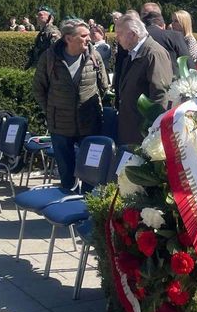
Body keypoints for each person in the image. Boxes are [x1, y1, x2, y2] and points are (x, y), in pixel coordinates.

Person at [32, 19, 110, 190]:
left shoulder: (94, 57)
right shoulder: (49, 58)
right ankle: (67, 208)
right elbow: (38, 89)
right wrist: (52, 109)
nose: (88, 39)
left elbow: (103, 87)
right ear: (68, 38)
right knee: (66, 174)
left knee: (91, 174)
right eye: (83, 36)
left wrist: (93, 108)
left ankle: (88, 210)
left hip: (89, 125)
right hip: (60, 126)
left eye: (88, 35)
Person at [114, 12, 173, 145]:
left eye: (120, 33)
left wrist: (151, 131)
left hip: (143, 134)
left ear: (133, 34)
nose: (116, 37)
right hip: (130, 130)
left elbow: (160, 95)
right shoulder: (132, 53)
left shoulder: (154, 54)